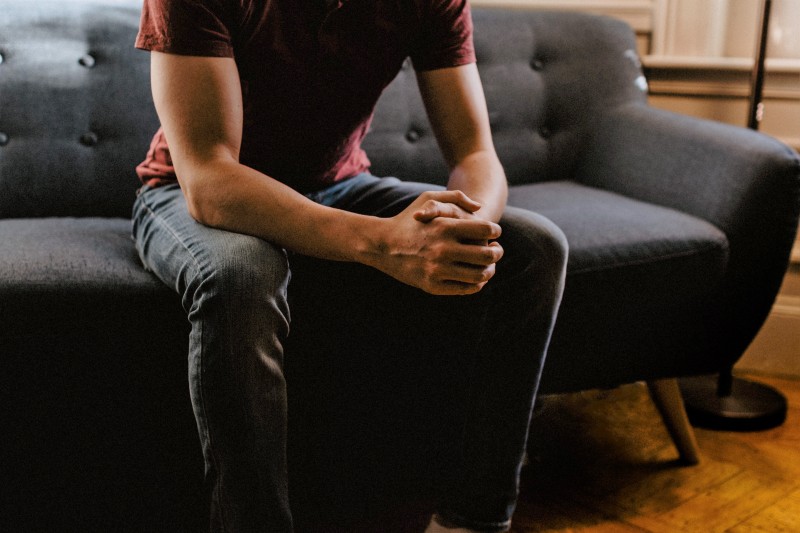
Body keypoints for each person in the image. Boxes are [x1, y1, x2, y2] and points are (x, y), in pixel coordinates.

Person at [132, 0, 567, 531]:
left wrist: (465, 230)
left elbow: (476, 154)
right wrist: (386, 243)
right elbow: (209, 179)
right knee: (242, 276)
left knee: (534, 248)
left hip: (340, 186)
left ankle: (473, 520)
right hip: (188, 189)